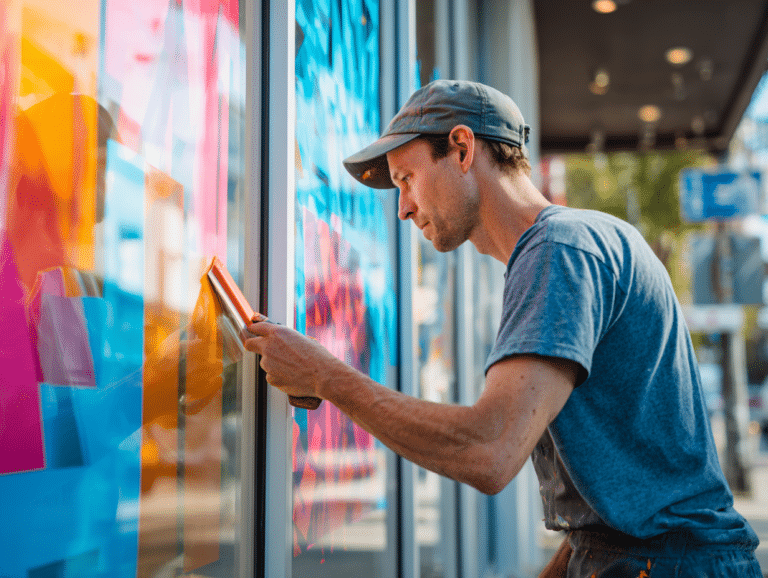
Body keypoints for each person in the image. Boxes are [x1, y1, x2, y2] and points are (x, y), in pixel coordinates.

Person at [244, 79, 763, 577]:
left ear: (463, 149)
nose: (402, 208)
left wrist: (325, 377)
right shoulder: (576, 244)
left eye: (406, 179)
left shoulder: (558, 251)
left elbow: (488, 451)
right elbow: (619, 490)